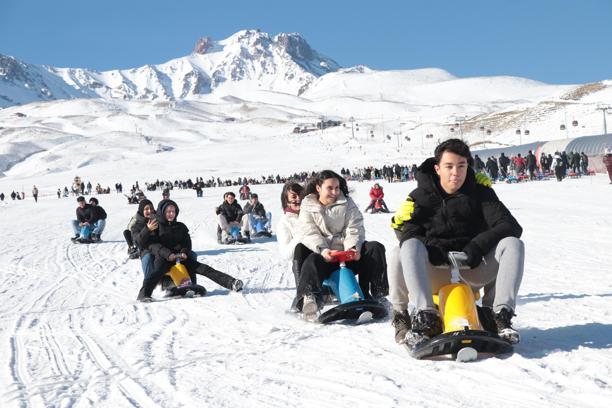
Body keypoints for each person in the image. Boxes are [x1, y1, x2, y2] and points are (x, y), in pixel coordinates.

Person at [389, 139, 524, 349]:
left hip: (472, 269)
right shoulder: (419, 196)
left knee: (512, 244)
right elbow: (409, 233)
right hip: (434, 271)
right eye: (449, 166)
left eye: (461, 166)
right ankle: (421, 317)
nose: (456, 173)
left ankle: (498, 315)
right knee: (402, 250)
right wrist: (436, 250)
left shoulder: (481, 192)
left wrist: (476, 247)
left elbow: (510, 225)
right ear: (437, 168)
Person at [295, 170, 389, 322]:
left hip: (347, 255)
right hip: (325, 257)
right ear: (318, 188)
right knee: (310, 258)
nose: (334, 192)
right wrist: (324, 250)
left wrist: (353, 248)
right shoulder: (308, 206)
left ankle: (377, 294)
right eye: (330, 188)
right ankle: (310, 298)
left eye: (337, 188)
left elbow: (354, 227)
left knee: (375, 248)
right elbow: (309, 232)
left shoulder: (347, 203)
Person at [136, 199, 243, 301]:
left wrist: (183, 252)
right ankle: (144, 294)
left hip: (179, 257)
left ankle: (231, 282)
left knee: (204, 268)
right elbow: (153, 245)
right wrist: (168, 254)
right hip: (163, 258)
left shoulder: (180, 226)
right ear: (162, 212)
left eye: (173, 211)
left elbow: (186, 242)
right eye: (168, 211)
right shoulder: (156, 226)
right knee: (155, 273)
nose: (171, 214)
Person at [276, 182, 305, 310]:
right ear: (286, 201)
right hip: (303, 262)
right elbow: (286, 254)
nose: (298, 199)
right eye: (293, 197)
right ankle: (302, 295)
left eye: (300, 195)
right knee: (299, 249)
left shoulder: (314, 213)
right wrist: (302, 234)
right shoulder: (284, 223)